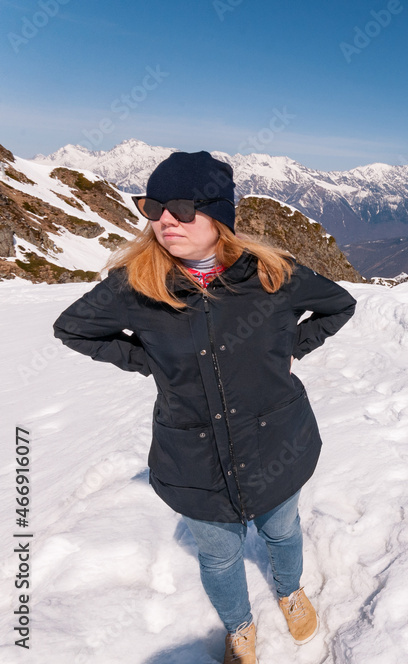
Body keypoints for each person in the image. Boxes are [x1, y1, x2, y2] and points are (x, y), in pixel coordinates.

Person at [52, 151, 357, 664]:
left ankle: (289, 590)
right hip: (193, 454)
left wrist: (287, 351)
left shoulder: (269, 274)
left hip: (274, 440)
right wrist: (148, 360)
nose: (166, 220)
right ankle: (239, 627)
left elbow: (338, 305)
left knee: (282, 530)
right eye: (153, 207)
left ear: (219, 216)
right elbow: (73, 328)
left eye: (182, 207)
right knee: (219, 556)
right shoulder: (137, 283)